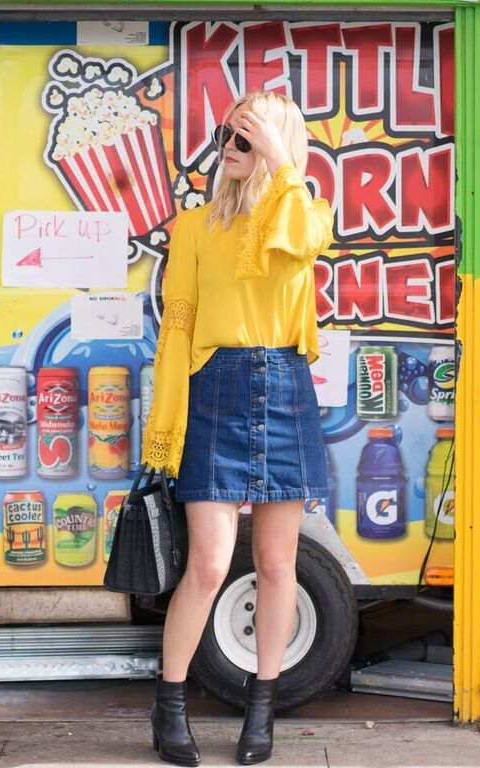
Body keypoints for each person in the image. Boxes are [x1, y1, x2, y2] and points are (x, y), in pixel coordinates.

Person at [141, 91, 334, 766]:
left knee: (278, 564)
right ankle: (169, 709)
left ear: (276, 149)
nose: (231, 147)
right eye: (229, 135)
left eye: (246, 139)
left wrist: (280, 162)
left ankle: (262, 710)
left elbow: (308, 240)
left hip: (284, 384)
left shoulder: (301, 216)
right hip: (214, 388)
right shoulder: (192, 228)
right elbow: (178, 333)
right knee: (210, 565)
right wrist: (165, 421)